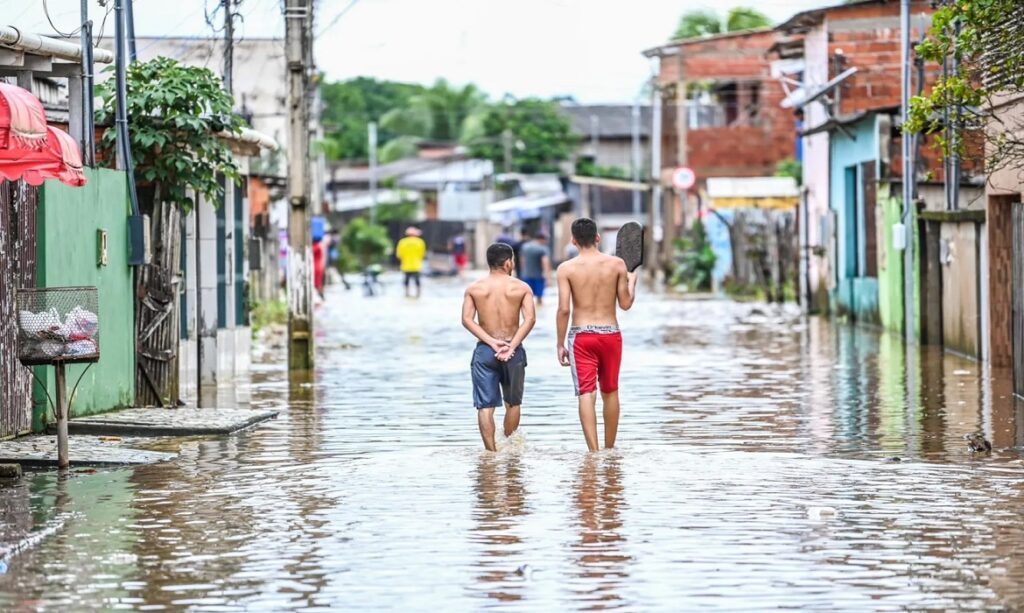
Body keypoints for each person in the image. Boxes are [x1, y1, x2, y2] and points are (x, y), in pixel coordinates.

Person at [556, 218, 639, 451]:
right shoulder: (617, 265)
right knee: (610, 390)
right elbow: (625, 304)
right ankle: (610, 449)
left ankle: (594, 452)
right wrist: (632, 282)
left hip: (581, 336)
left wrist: (559, 343)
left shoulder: (566, 269)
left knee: (586, 393)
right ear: (598, 238)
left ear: (573, 241)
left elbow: (564, 309)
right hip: (610, 335)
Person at [462, 243, 537, 452]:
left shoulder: (474, 288)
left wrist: (491, 342)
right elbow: (530, 319)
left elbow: (466, 320)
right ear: (508, 262)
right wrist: (511, 345)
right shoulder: (521, 288)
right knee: (513, 403)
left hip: (485, 350)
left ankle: (491, 454)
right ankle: (508, 448)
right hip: (513, 351)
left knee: (485, 407)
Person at [519, 231, 552, 306]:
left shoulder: (525, 246)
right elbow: (545, 263)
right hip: (538, 276)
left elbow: (522, 261)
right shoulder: (543, 248)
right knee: (539, 299)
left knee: (527, 298)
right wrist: (548, 277)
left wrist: (522, 272)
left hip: (526, 275)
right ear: (542, 239)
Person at [396, 226, 427, 298]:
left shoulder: (402, 242)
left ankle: (407, 293)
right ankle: (418, 293)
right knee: (417, 280)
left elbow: (399, 255)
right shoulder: (420, 242)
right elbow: (423, 254)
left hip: (406, 265)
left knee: (406, 280)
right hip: (416, 265)